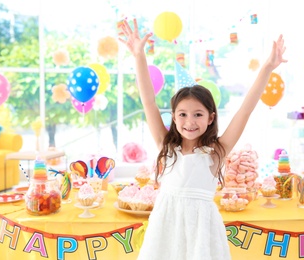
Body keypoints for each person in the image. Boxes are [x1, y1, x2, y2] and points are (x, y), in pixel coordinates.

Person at [119, 18, 287, 260]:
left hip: (202, 234)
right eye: (183, 114)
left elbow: (245, 110)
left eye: (198, 114)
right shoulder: (165, 145)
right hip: (165, 231)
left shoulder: (217, 152)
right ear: (174, 118)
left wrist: (267, 68)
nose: (190, 121)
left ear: (210, 118)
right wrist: (138, 56)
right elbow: (148, 100)